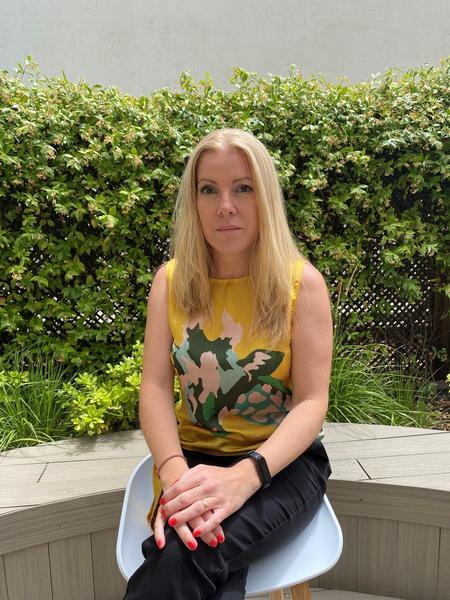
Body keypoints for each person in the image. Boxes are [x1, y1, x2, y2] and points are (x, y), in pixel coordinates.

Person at [123, 128, 333, 600]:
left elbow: (311, 402)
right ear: (193, 201)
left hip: (280, 464)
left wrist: (244, 477)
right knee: (194, 551)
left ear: (265, 198)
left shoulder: (303, 286)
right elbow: (154, 388)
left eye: (243, 188)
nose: (225, 206)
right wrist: (173, 474)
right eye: (208, 189)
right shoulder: (170, 282)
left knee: (188, 552)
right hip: (191, 459)